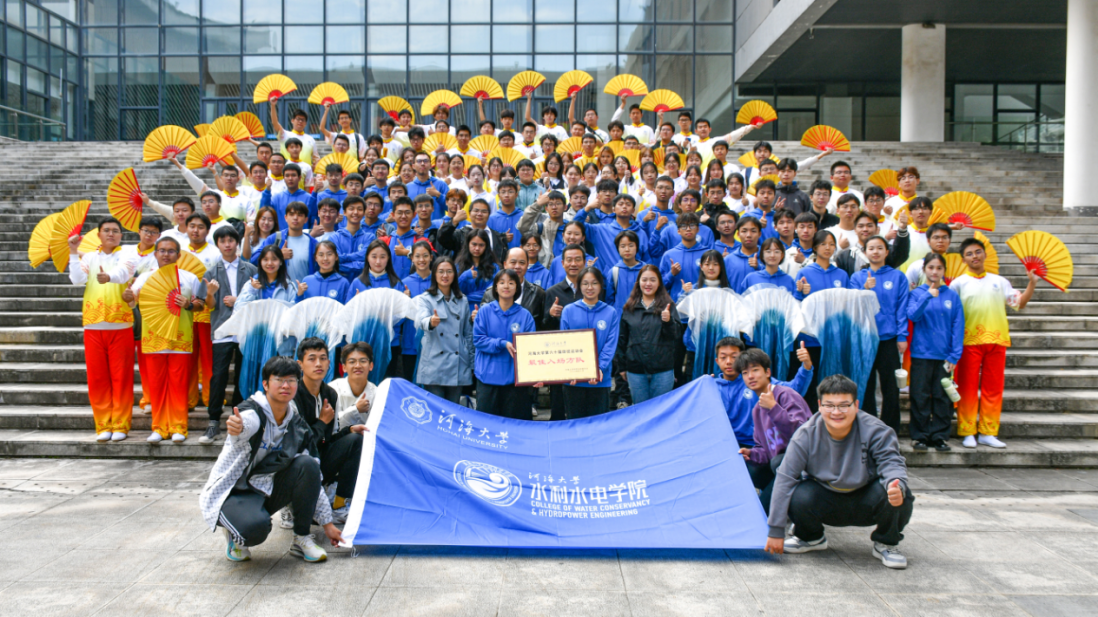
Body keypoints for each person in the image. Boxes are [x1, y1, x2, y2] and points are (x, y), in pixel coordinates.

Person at [199, 355, 344, 563]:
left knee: (308, 464)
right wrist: (238, 427)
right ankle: (234, 535)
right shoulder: (253, 412)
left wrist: (327, 524)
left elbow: (312, 475)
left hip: (263, 486)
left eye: (291, 380)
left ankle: (302, 538)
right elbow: (246, 424)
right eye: (279, 380)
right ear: (266, 384)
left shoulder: (296, 423)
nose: (286, 386)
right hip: (233, 491)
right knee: (255, 530)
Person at [765, 375, 913, 569]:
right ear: (820, 405)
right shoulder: (806, 434)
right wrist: (775, 531)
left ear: (856, 405)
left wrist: (896, 484)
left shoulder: (876, 430)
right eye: (829, 405)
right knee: (797, 494)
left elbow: (891, 462)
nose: (836, 412)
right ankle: (810, 537)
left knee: (899, 492)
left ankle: (887, 542)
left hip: (866, 497)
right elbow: (785, 478)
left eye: (844, 405)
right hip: (825, 497)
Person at [950, 237, 1038, 449]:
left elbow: (1019, 303)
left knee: (993, 388)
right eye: (969, 254)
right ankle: (968, 431)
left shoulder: (1000, 281)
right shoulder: (958, 284)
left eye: (978, 252)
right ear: (963, 259)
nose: (974, 256)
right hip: (968, 341)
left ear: (985, 254)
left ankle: (988, 432)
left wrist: (1032, 283)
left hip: (997, 341)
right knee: (968, 389)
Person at [124, 237, 205, 443]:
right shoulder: (145, 278)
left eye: (170, 251)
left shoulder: (189, 278)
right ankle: (159, 427)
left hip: (180, 338)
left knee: (179, 385)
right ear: (155, 254)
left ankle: (179, 426)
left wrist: (188, 304)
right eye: (162, 251)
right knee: (157, 385)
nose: (166, 255)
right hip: (153, 340)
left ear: (179, 255)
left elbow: (200, 305)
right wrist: (127, 296)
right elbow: (132, 299)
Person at [69, 218, 136, 442]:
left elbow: (124, 273)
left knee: (121, 377)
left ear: (121, 235)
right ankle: (103, 424)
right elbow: (77, 280)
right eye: (106, 230)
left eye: (115, 231)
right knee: (97, 378)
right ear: (98, 234)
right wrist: (73, 252)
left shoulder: (126, 254)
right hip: (93, 325)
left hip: (120, 324)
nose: (111, 234)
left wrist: (108, 277)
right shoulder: (89, 257)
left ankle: (121, 424)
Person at [292, 337, 367, 526]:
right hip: (296, 464)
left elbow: (329, 439)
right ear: (300, 364)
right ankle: (289, 504)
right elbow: (298, 444)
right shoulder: (293, 394)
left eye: (323, 358)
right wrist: (321, 422)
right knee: (303, 459)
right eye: (312, 358)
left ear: (329, 363)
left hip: (319, 458)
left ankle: (339, 505)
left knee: (356, 440)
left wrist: (349, 430)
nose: (318, 364)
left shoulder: (330, 394)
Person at [734, 349, 813, 514]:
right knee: (749, 468)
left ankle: (773, 509)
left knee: (779, 462)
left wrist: (774, 409)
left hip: (805, 464)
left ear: (767, 372)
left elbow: (802, 435)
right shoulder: (757, 410)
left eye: (755, 370)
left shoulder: (786, 395)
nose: (750, 376)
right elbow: (765, 450)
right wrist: (751, 454)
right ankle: (784, 506)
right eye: (745, 373)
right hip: (781, 466)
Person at [200, 226, 258, 444]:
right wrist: (210, 294)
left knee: (244, 374)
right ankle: (213, 420)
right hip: (222, 328)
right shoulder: (210, 272)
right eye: (222, 241)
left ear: (237, 242)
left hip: (246, 329)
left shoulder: (250, 269)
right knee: (219, 376)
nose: (227, 244)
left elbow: (259, 297)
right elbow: (209, 305)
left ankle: (239, 416)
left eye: (231, 240)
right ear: (217, 244)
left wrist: (238, 300)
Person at [848, 236, 909, 433]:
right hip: (865, 338)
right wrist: (864, 289)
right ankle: (868, 428)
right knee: (866, 384)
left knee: (890, 386)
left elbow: (902, 308)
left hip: (888, 338)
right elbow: (851, 306)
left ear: (886, 252)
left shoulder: (898, 277)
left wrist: (902, 336)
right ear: (865, 252)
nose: (875, 252)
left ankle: (891, 429)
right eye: (871, 248)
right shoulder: (857, 277)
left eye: (880, 248)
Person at [907, 253, 965, 452]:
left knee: (943, 397)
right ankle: (920, 436)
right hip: (921, 354)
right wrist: (926, 296)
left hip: (944, 356)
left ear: (944, 271)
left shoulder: (952, 296)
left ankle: (940, 436)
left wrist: (954, 355)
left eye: (939, 268)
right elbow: (912, 315)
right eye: (931, 267)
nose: (934, 271)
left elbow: (958, 325)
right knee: (919, 395)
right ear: (924, 269)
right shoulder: (916, 293)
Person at [791, 230, 847, 410]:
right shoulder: (804, 272)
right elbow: (796, 305)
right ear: (815, 247)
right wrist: (801, 293)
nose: (827, 248)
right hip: (810, 337)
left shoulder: (842, 275)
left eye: (831, 244)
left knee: (833, 380)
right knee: (811, 380)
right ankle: (810, 417)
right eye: (823, 244)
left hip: (834, 338)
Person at [474, 269, 536, 419]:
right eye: (501, 282)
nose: (506, 286)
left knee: (516, 426)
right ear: (495, 287)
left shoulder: (525, 315)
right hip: (488, 380)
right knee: (487, 427)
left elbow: (531, 347)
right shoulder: (484, 311)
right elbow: (478, 340)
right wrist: (502, 343)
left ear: (517, 287)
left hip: (515, 383)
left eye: (511, 283)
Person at [559, 266, 619, 418]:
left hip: (600, 379)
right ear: (579, 285)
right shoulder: (568, 310)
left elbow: (610, 344)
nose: (590, 287)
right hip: (573, 380)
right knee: (574, 423)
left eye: (594, 283)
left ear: (601, 285)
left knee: (598, 425)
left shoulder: (610, 312)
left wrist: (599, 368)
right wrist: (570, 370)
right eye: (585, 283)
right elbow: (564, 343)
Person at [616, 265, 680, 404]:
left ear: (659, 282)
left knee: (661, 410)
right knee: (640, 410)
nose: (648, 284)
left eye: (652, 280)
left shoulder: (668, 306)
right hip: (636, 371)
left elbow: (675, 336)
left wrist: (668, 322)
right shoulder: (629, 308)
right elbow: (622, 339)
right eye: (644, 280)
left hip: (662, 370)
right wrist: (622, 367)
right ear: (638, 282)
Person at [414, 257, 473, 403]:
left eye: (449, 271)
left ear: (454, 275)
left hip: (458, 363)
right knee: (436, 409)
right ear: (434, 274)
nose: (445, 275)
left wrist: (472, 362)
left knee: (453, 410)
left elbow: (468, 334)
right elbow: (421, 320)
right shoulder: (425, 298)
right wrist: (430, 322)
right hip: (434, 363)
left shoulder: (463, 300)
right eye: (440, 271)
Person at [346, 241, 406, 377]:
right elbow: (347, 314)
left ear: (388, 258)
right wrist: (357, 306)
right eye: (374, 256)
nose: (378, 261)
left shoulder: (396, 284)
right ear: (367, 257)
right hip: (362, 341)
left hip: (389, 342)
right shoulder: (357, 282)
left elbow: (402, 316)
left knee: (386, 382)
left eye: (382, 257)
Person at [482, 247, 547, 330]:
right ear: (505, 264)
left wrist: (551, 315)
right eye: (513, 262)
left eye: (522, 263)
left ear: (527, 265)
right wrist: (474, 318)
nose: (517, 266)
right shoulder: (490, 293)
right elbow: (482, 325)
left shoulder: (538, 293)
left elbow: (543, 325)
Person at [834, 210, 911, 276]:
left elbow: (901, 255)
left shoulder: (887, 251)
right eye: (861, 226)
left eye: (869, 226)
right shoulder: (845, 257)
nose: (865, 229)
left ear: (877, 229)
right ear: (855, 230)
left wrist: (902, 228)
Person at [400, 241, 434, 378]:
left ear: (431, 257)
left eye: (425, 255)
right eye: (417, 256)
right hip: (410, 343)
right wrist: (404, 301)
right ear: (412, 258)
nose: (421, 260)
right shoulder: (404, 283)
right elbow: (398, 317)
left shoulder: (438, 281)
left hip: (434, 343)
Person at [329, 342, 377, 428]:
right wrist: (355, 409)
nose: (357, 366)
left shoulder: (377, 393)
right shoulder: (333, 389)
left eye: (363, 361)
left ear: (371, 366)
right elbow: (330, 423)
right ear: (344, 367)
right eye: (352, 362)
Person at [456, 229, 499, 311]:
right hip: (462, 311)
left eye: (481, 245)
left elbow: (493, 292)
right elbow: (455, 291)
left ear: (486, 246)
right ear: (468, 244)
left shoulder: (494, 267)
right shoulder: (458, 266)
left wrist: (467, 297)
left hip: (486, 310)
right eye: (474, 244)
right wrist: (465, 276)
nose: (477, 248)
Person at [723, 216, 763, 293]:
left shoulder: (767, 258)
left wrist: (759, 267)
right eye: (744, 231)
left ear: (759, 234)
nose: (748, 235)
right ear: (738, 234)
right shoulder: (728, 260)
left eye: (753, 231)